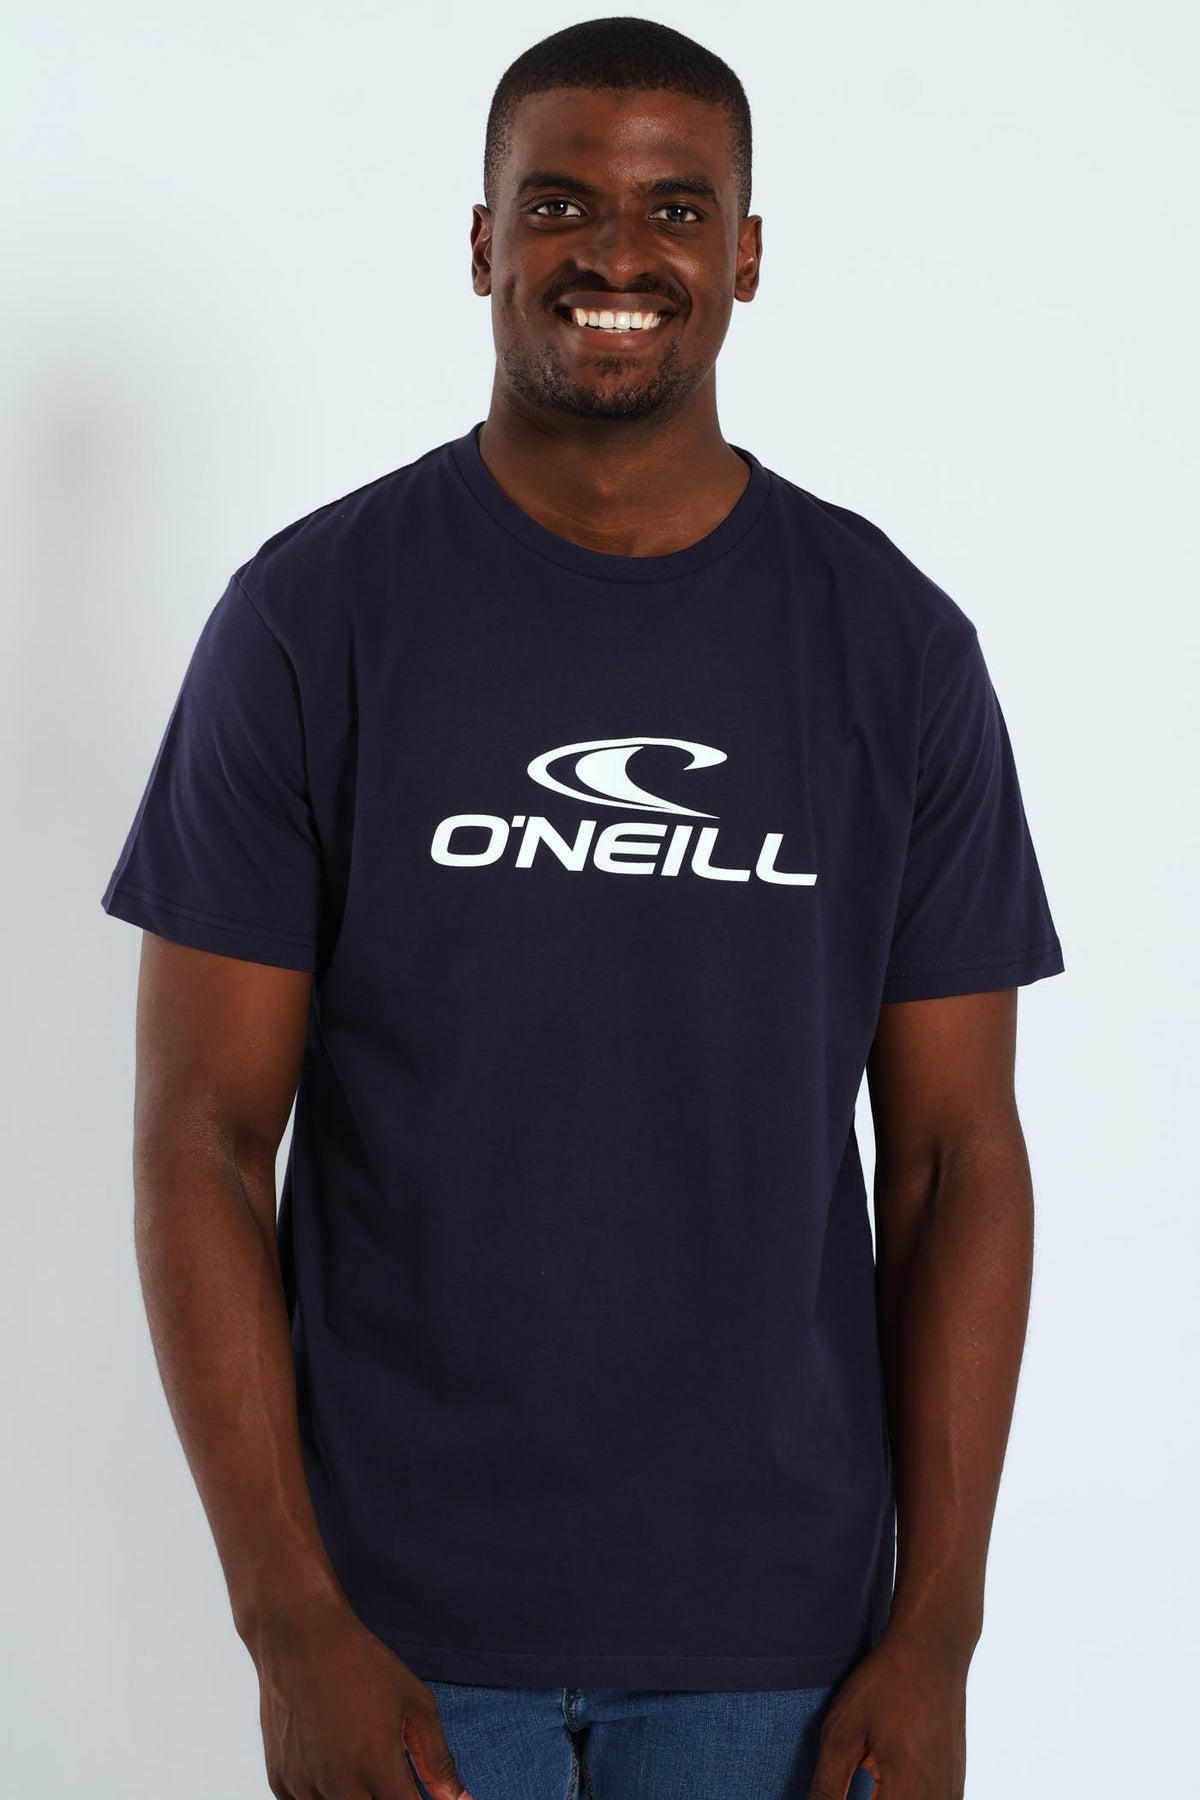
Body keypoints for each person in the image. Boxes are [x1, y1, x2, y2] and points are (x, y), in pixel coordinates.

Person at [99, 16, 1065, 1800]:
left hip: (780, 1642)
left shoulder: (894, 649)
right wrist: (290, 1620)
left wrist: (937, 1633)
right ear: (483, 242)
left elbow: (954, 1161)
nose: (618, 254)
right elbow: (204, 1142)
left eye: (676, 209)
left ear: (747, 254)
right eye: (559, 204)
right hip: (397, 1629)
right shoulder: (312, 620)